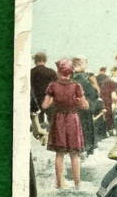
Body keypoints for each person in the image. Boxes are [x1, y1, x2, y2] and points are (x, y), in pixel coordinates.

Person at [41, 59, 88, 189]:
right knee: (75, 154)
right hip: (73, 118)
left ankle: (60, 183)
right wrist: (76, 102)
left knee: (59, 153)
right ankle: (77, 184)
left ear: (58, 71)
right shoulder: (76, 86)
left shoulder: (52, 86)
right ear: (71, 72)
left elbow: (45, 105)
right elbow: (85, 105)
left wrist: (54, 100)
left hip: (59, 119)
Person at [72, 56, 99, 154]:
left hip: (80, 110)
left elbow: (95, 93)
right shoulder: (75, 77)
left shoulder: (87, 76)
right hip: (79, 110)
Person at [30, 52, 57, 126]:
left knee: (38, 124)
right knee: (52, 123)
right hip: (49, 100)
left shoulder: (31, 72)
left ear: (35, 60)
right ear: (45, 60)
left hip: (36, 101)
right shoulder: (51, 72)